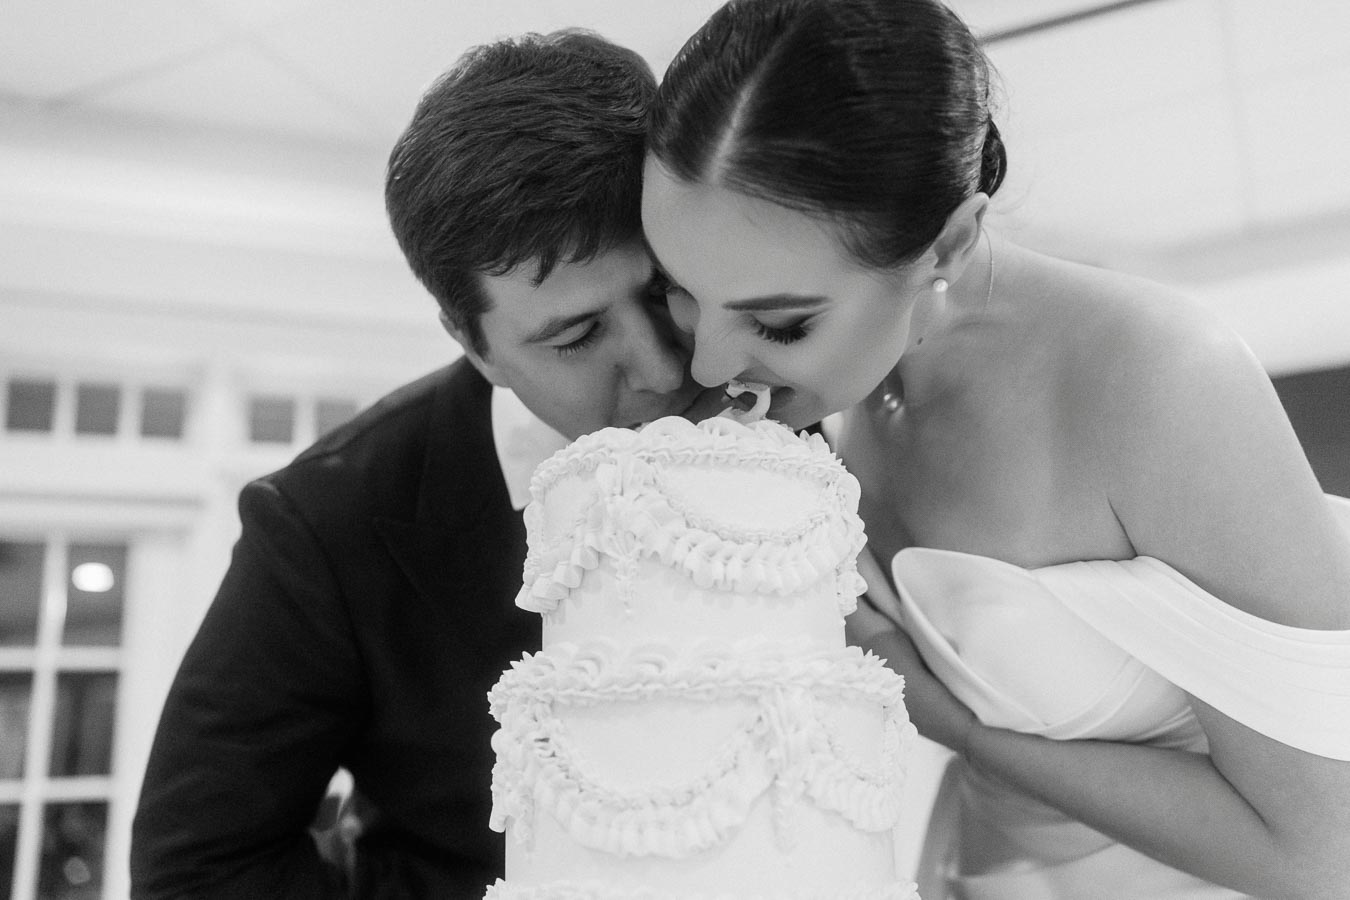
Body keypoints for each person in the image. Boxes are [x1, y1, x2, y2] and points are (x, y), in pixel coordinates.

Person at [640, 0, 1350, 897]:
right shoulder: (823, 393)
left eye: (779, 324)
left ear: (949, 241)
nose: (706, 360)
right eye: (678, 291)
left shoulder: (1156, 380)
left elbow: (1326, 854)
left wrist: (957, 725)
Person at [130, 29, 728, 898]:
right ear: (473, 344)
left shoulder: (793, 407)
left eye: (662, 290)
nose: (668, 368)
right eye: (576, 336)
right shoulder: (329, 524)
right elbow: (200, 865)